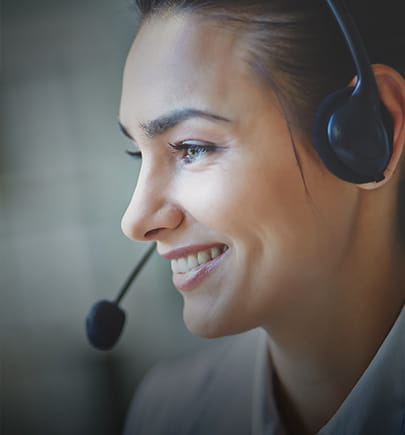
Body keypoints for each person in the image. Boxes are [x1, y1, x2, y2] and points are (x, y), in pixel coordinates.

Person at [118, 0, 405, 433]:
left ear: (371, 129)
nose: (135, 221)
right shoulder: (164, 415)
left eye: (191, 148)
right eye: (138, 154)